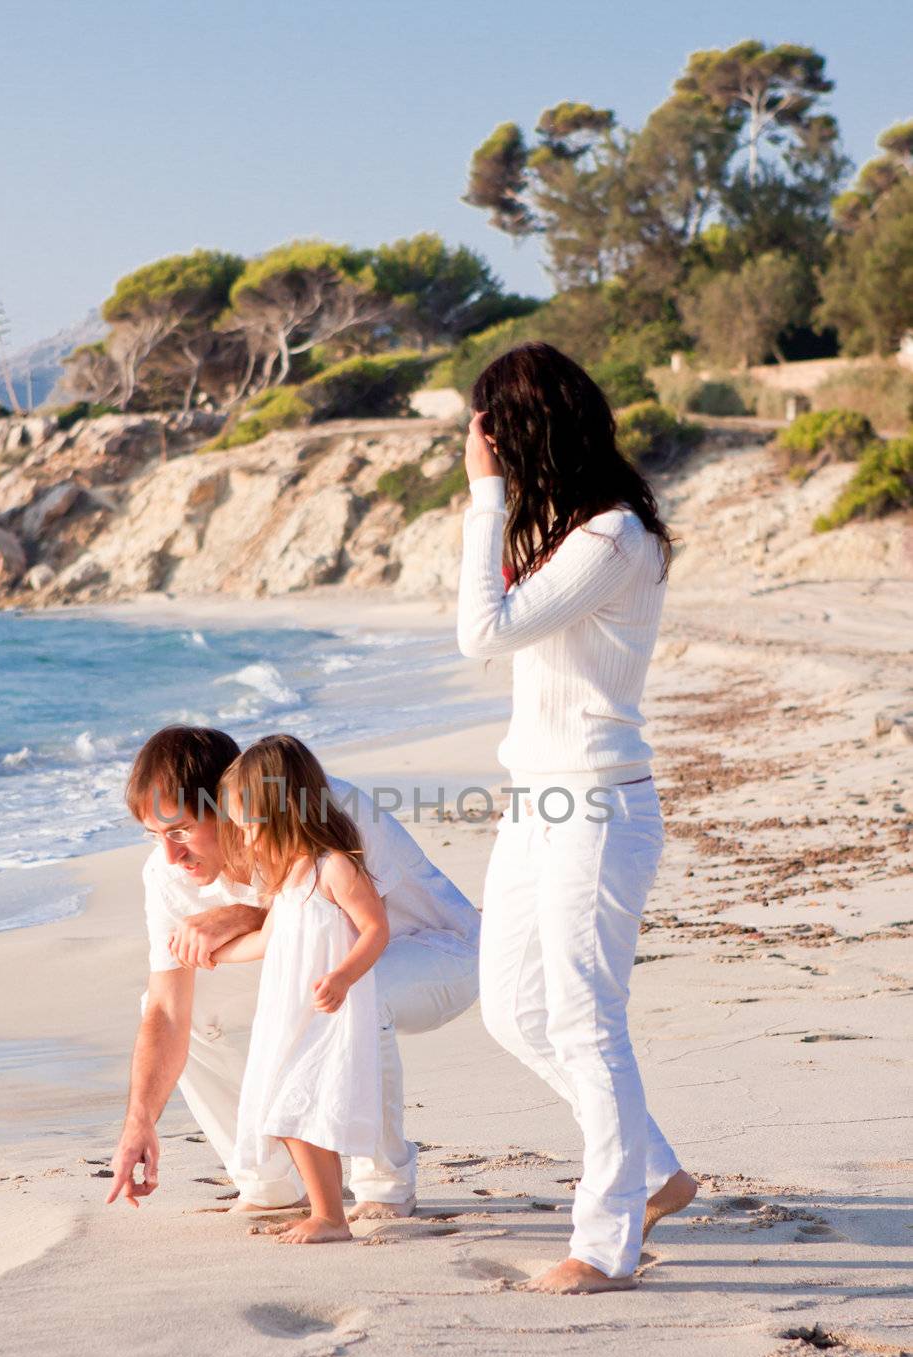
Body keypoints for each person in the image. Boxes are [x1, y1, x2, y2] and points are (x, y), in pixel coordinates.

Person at [457, 341, 697, 1296]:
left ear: (525, 431)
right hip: (537, 805)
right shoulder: (568, 534)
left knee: (586, 1023)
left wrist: (481, 501)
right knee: (515, 1012)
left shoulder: (613, 538)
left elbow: (483, 633)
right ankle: (654, 1171)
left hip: (597, 807)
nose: (481, 449)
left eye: (490, 432)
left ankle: (604, 1245)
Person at [106, 724, 479, 1217]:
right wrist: (139, 1121)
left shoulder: (319, 806)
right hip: (311, 965)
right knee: (188, 1009)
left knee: (359, 988)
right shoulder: (167, 874)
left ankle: (385, 1185)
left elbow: (343, 926)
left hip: (433, 952)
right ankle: (269, 1182)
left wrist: (243, 914)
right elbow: (166, 1008)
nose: (171, 856)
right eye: (155, 836)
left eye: (180, 831)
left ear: (228, 805)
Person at [210, 735, 388, 1244]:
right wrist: (214, 954)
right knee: (289, 1111)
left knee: (297, 1109)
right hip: (287, 1014)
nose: (242, 834)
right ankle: (327, 1210)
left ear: (283, 809)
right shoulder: (288, 878)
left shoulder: (335, 866)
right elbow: (268, 939)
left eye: (247, 820)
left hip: (326, 1012)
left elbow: (375, 927)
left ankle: (331, 1217)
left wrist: (344, 976)